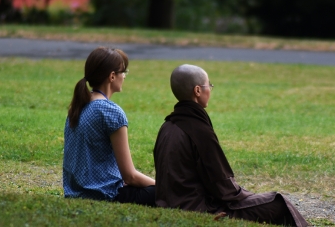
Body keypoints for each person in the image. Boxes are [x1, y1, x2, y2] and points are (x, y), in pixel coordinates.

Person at [153, 64, 308, 226]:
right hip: (199, 212)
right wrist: (250, 196)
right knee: (279, 202)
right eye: (209, 85)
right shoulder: (198, 130)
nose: (210, 90)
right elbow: (223, 187)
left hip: (170, 206)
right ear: (198, 91)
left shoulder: (167, 126)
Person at [63, 47, 155, 206]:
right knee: (161, 193)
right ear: (112, 76)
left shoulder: (78, 106)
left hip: (75, 193)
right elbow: (130, 176)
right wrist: (161, 186)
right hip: (105, 195)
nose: (125, 76)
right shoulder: (110, 111)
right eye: (123, 72)